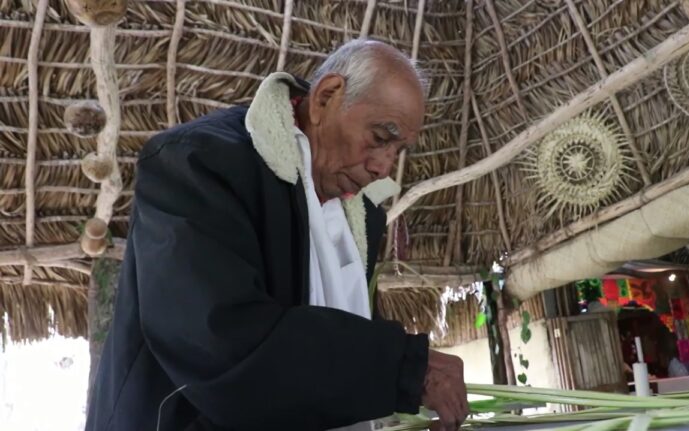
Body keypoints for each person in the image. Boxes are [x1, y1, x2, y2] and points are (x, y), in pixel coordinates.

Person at [86, 40, 469, 431]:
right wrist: (402, 367)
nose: (383, 168)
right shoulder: (198, 165)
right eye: (379, 137)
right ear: (326, 97)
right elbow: (221, 344)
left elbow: (338, 350)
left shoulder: (361, 218)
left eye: (398, 149)